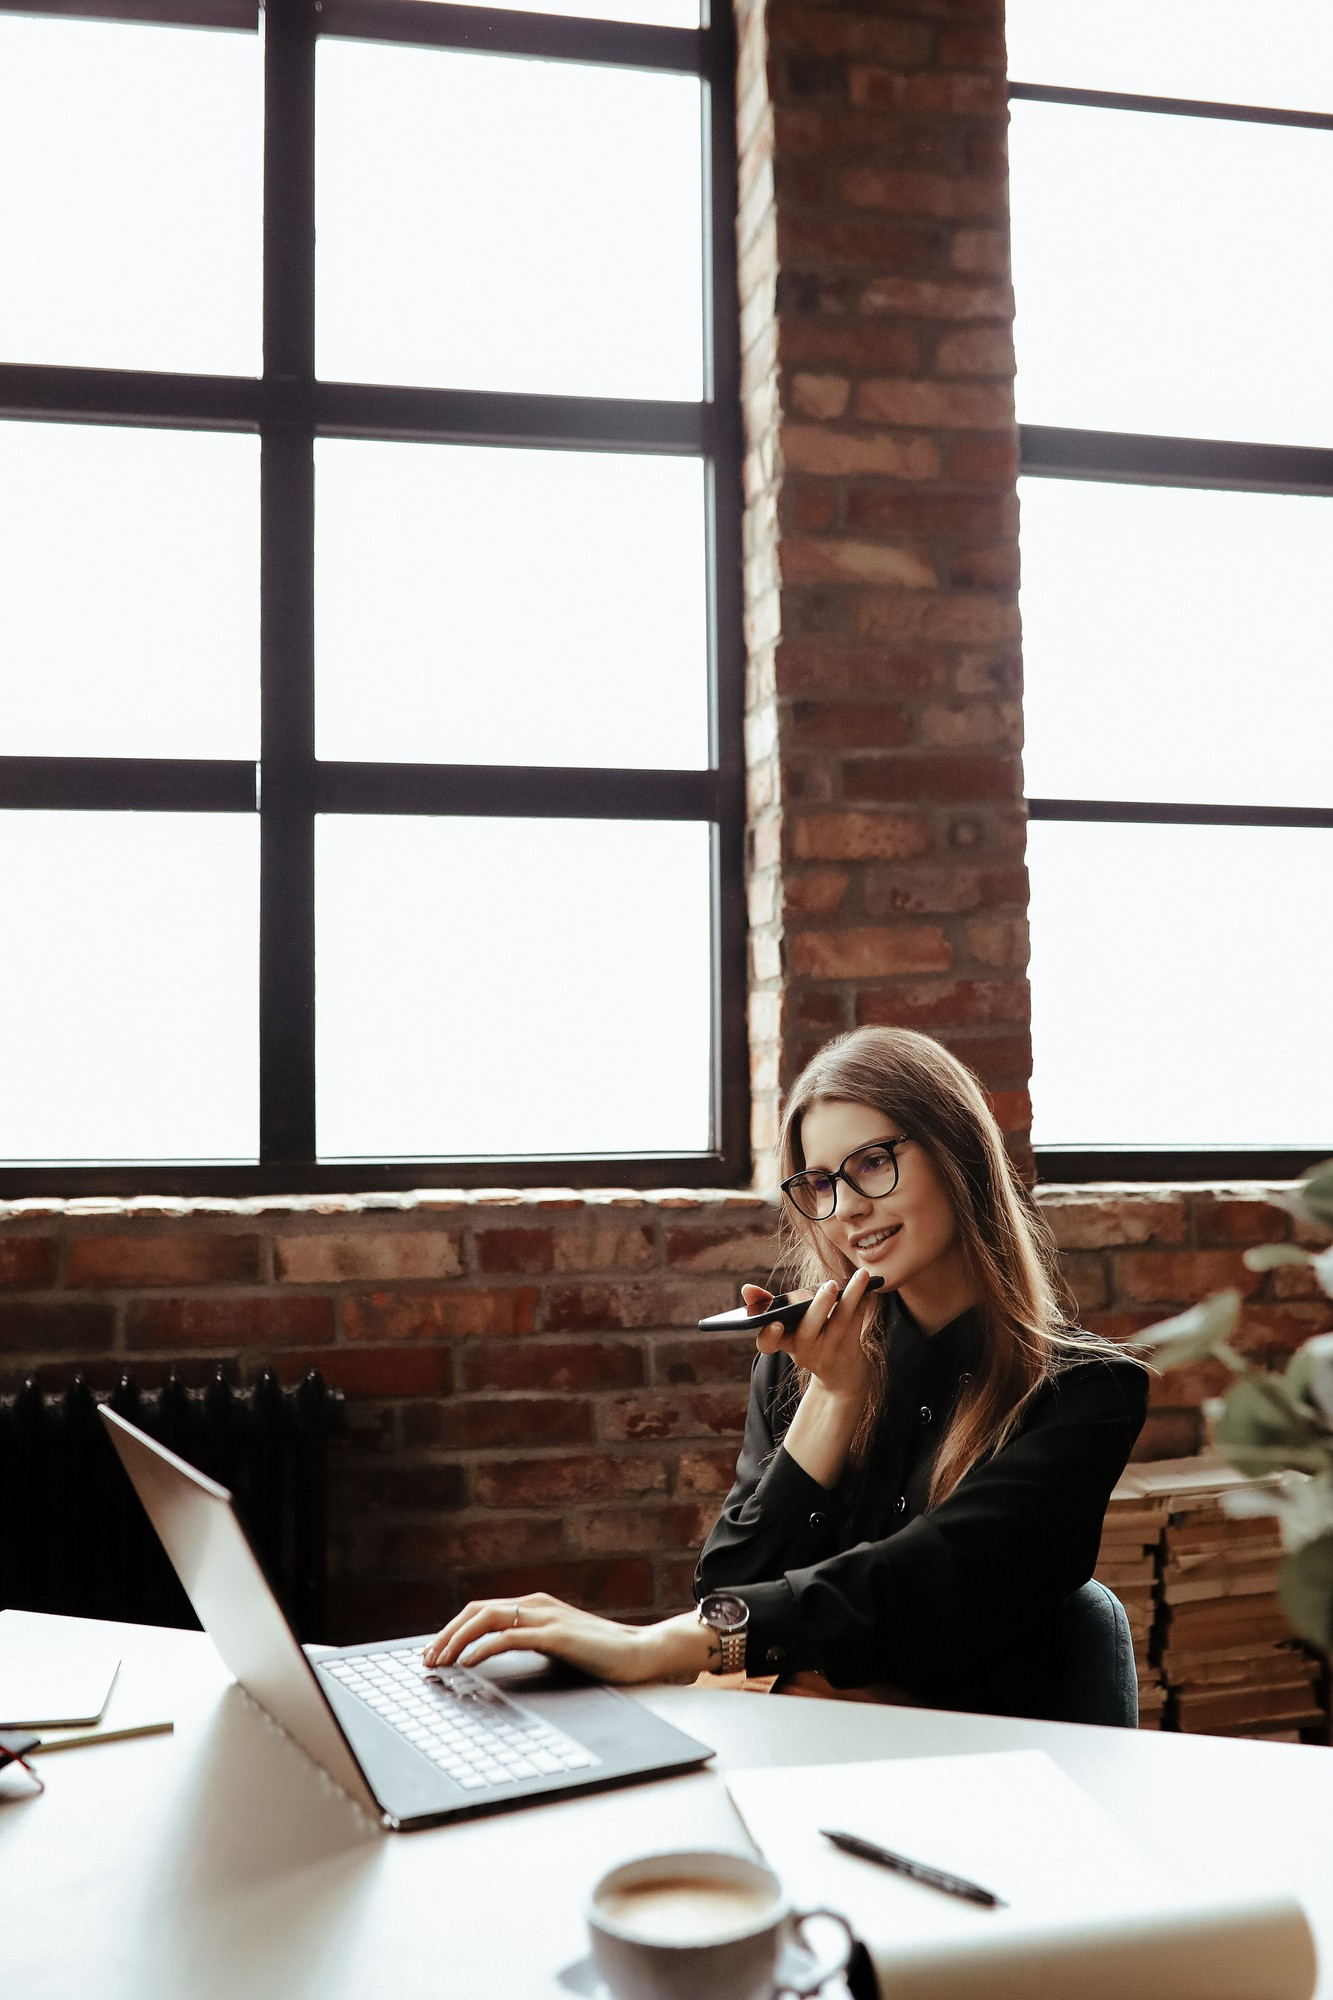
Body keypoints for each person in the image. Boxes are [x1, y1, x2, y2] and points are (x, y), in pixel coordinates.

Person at [424, 1027, 1149, 1718]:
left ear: (956, 1151)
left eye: (871, 1162)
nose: (848, 1209)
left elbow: (933, 1583)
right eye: (819, 1183)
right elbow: (731, 1588)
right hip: (803, 1746)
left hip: (978, 1776)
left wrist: (659, 1643)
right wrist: (833, 1398)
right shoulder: (800, 1369)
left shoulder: (1084, 1392)